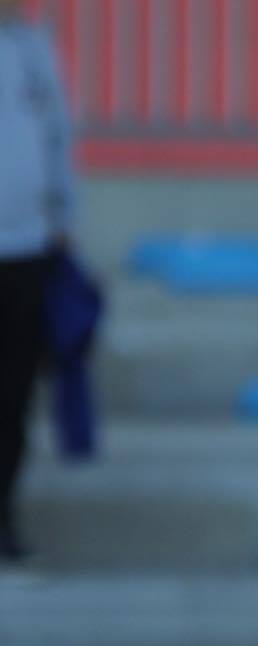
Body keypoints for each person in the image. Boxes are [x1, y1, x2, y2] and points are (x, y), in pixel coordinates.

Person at [0, 0, 73, 563]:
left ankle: (4, 518)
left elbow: (57, 140)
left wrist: (63, 220)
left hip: (25, 252)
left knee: (13, 396)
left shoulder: (30, 49)